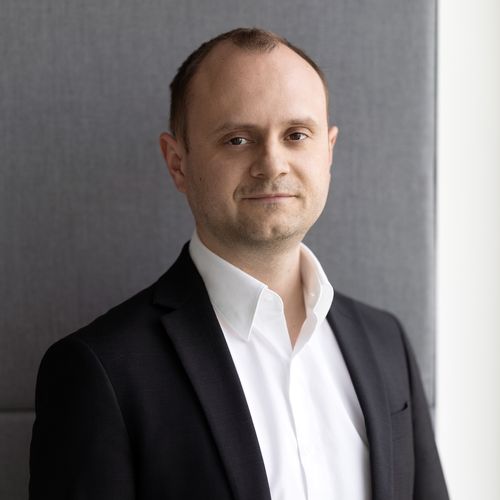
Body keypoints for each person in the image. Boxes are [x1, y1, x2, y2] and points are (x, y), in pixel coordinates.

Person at [29, 28, 449, 500]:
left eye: (296, 135)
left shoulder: (386, 342)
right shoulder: (100, 369)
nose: (272, 164)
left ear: (328, 151)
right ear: (177, 162)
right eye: (237, 139)